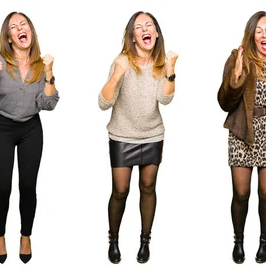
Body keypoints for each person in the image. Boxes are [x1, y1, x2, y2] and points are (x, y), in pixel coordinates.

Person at [0, 11, 59, 264]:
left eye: (24, 24)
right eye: (14, 26)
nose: (21, 28)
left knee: (28, 186)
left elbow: (48, 103)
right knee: (2, 187)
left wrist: (50, 73)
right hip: (1, 127)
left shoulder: (42, 65)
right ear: (8, 37)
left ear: (30, 31)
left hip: (31, 128)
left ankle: (25, 235)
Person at [217, 11, 266, 264]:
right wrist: (237, 77)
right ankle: (238, 241)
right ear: (251, 34)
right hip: (242, 132)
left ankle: (264, 241)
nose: (265, 34)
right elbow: (224, 102)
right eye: (259, 30)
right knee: (240, 193)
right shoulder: (237, 57)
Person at [98, 11, 177, 264]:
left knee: (148, 188)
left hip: (152, 135)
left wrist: (171, 70)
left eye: (150, 26)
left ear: (155, 33)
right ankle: (113, 239)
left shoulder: (162, 63)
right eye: (140, 26)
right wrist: (117, 74)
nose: (146, 29)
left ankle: (145, 240)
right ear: (133, 36)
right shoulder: (121, 61)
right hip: (122, 135)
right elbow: (103, 103)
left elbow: (165, 99)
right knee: (120, 190)